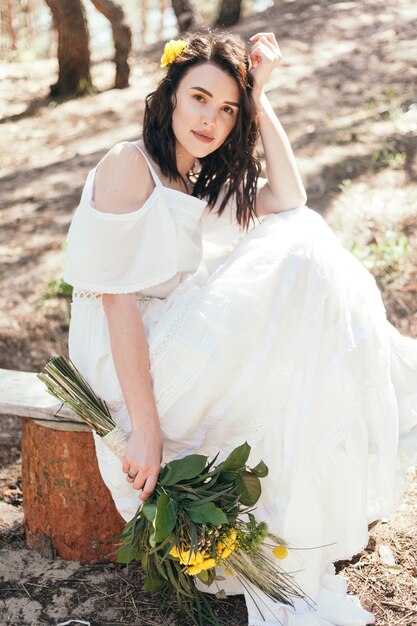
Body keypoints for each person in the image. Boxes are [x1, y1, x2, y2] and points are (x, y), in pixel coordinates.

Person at [63, 30, 417, 626]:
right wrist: (145, 429)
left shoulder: (196, 173)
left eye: (226, 108)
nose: (211, 118)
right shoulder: (131, 166)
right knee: (296, 260)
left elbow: (291, 194)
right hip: (121, 352)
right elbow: (116, 303)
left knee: (303, 240)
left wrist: (260, 96)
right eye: (199, 97)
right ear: (169, 95)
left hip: (164, 332)